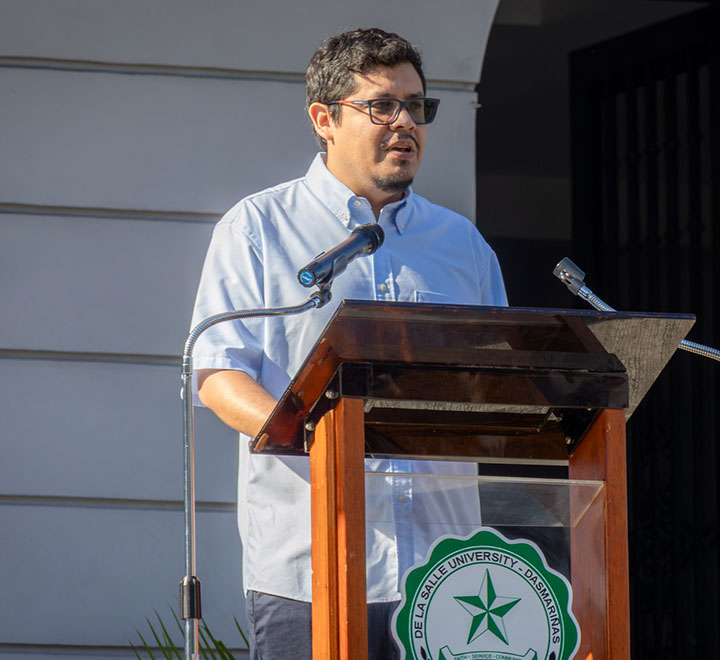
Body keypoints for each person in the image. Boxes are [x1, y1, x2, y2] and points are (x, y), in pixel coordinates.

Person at [189, 28, 507, 659]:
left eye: (416, 106)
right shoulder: (259, 228)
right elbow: (219, 375)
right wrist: (319, 436)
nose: (404, 122)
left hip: (447, 575)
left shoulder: (461, 245)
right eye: (381, 105)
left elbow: (499, 385)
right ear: (324, 120)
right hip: (312, 568)